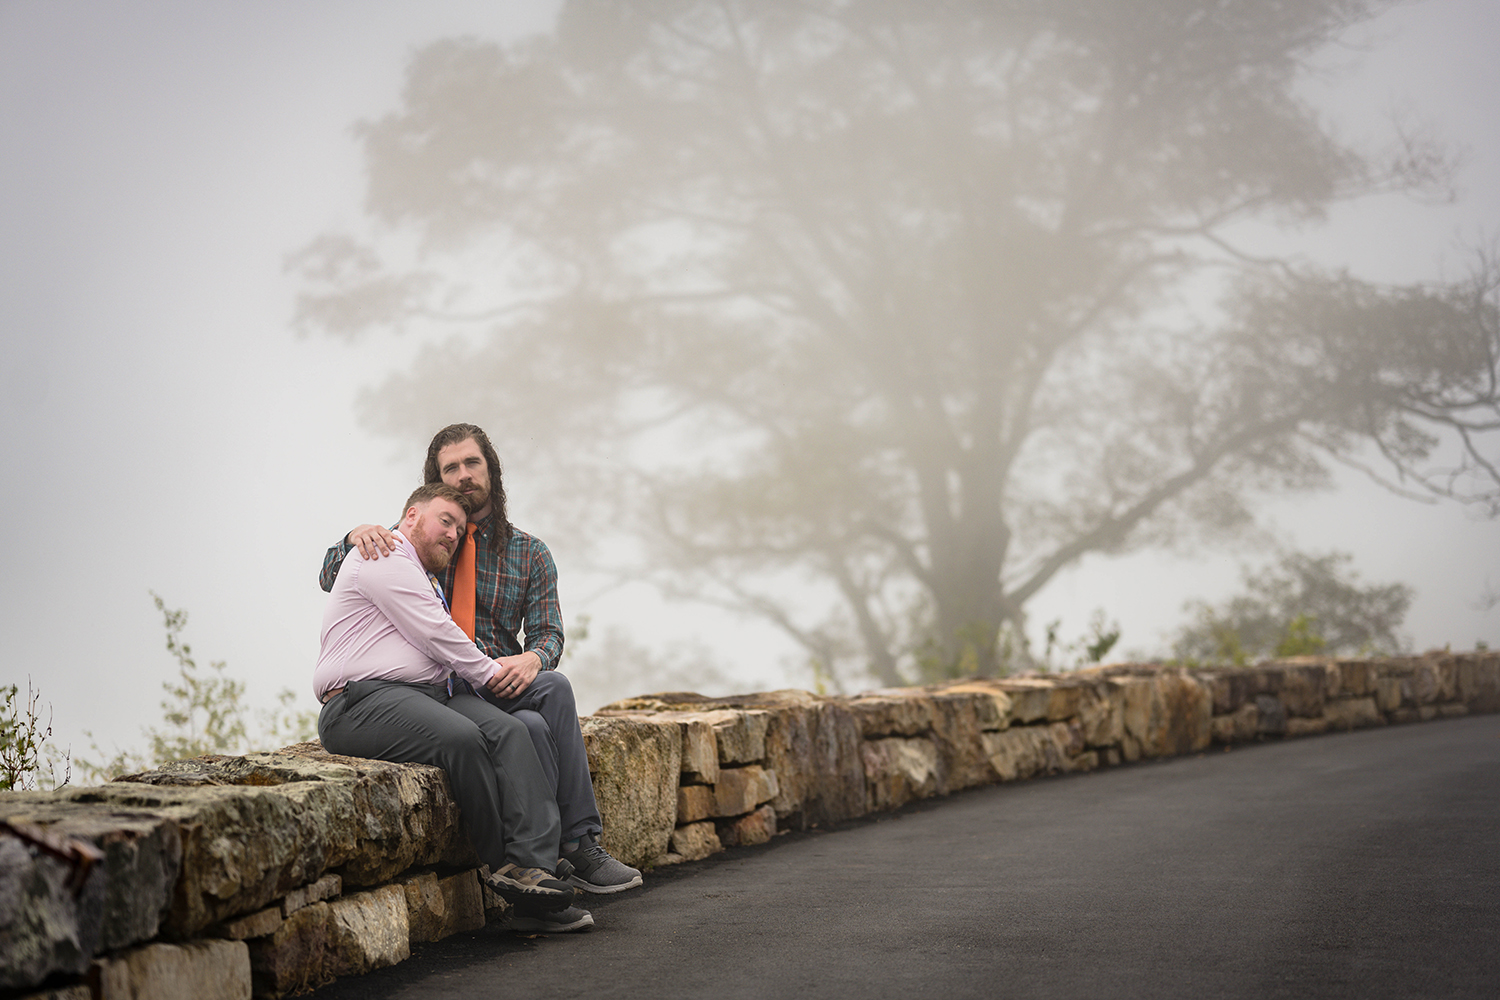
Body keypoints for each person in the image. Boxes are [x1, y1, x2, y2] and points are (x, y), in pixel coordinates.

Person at [319, 423, 642, 899]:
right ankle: (538, 864)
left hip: (495, 679)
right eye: (451, 468)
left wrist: (533, 659)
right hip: (444, 686)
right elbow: (334, 574)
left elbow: (549, 631)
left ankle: (580, 843)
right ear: (436, 481)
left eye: (473, 463)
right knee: (528, 730)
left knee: (554, 687)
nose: (464, 475)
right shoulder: (414, 540)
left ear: (491, 470)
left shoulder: (528, 552)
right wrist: (352, 535)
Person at [315, 483, 595, 932]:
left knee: (510, 731)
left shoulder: (419, 573)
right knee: (464, 738)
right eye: (444, 520)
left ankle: (535, 870)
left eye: (459, 528)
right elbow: (436, 635)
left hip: (428, 695)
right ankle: (503, 865)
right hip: (359, 702)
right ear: (410, 517)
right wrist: (489, 676)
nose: (452, 533)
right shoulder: (382, 554)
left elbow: (438, 638)